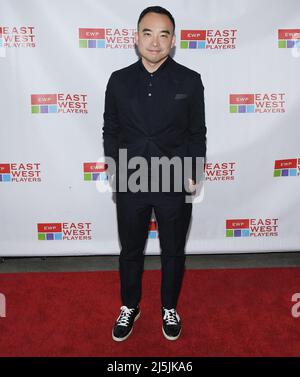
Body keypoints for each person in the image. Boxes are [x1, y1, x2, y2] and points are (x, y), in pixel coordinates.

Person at [103, 6, 206, 342]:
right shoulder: (118, 80)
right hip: (131, 179)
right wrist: (115, 167)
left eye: (164, 34)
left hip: (174, 178)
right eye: (148, 33)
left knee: (173, 250)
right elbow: (111, 129)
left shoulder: (190, 81)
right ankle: (130, 305)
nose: (155, 42)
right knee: (130, 250)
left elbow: (196, 133)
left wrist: (193, 169)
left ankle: (169, 307)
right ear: (136, 37)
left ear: (173, 40)